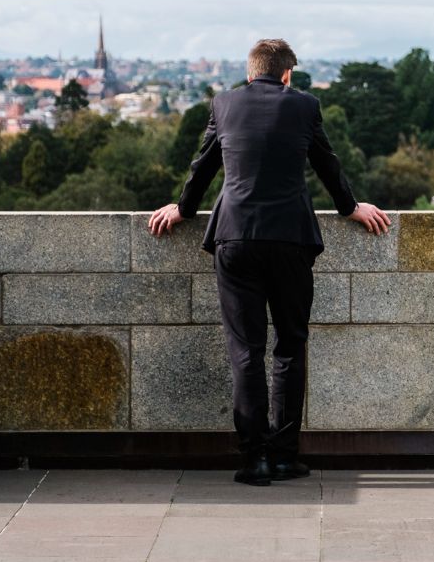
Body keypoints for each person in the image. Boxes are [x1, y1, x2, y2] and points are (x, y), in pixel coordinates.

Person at [147, 38, 390, 485]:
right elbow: (326, 163)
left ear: (249, 72)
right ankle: (283, 455)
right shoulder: (305, 106)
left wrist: (181, 209)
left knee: (246, 351)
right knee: (289, 347)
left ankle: (254, 458)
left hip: (235, 237)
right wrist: (351, 207)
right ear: (286, 74)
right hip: (290, 238)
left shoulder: (223, 105)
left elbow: (203, 166)